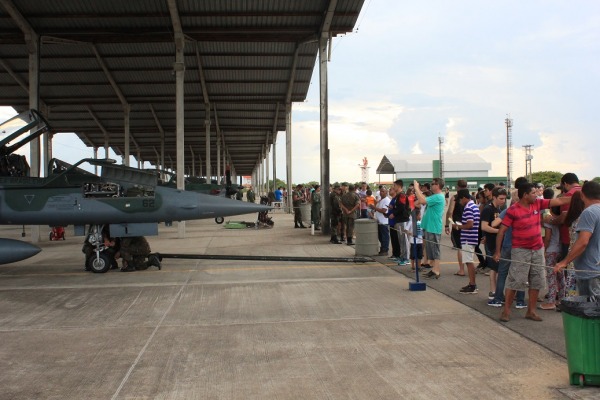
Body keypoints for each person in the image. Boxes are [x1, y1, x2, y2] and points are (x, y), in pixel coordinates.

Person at [493, 182, 571, 322]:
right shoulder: (513, 210)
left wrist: (578, 196)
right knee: (515, 281)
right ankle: (506, 311)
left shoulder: (538, 204)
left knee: (537, 280)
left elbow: (559, 200)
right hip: (520, 250)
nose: (537, 195)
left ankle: (531, 311)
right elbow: (501, 231)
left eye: (537, 192)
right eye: (534, 193)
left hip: (537, 250)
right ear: (525, 195)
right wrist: (497, 251)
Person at [554, 181, 600, 300]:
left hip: (590, 272)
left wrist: (564, 262)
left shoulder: (589, 212)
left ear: (583, 195)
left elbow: (583, 242)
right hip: (595, 270)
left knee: (591, 310)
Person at [414, 178, 445, 279]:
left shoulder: (438, 197)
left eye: (433, 184)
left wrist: (417, 188)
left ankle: (436, 270)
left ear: (438, 186)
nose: (431, 186)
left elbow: (422, 201)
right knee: (430, 249)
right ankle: (434, 269)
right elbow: (418, 202)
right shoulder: (434, 197)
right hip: (429, 226)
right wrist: (421, 193)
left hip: (434, 227)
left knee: (435, 249)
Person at [480, 187, 507, 300]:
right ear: (494, 197)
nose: (503, 201)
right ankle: (493, 291)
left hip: (497, 241)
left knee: (496, 267)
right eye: (501, 198)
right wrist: (499, 231)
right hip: (492, 243)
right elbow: (484, 226)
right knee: (495, 268)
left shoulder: (499, 210)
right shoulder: (488, 209)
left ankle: (496, 290)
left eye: (505, 199)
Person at [452, 189, 480, 294]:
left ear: (464, 198)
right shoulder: (474, 206)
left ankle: (472, 284)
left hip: (468, 238)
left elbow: (469, 224)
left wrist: (458, 226)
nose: (459, 202)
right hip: (472, 237)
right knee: (469, 261)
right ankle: (472, 284)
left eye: (459, 199)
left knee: (469, 261)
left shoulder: (468, 208)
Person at [539, 190, 562, 310]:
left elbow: (547, 238)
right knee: (560, 276)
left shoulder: (549, 221)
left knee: (551, 276)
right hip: (561, 249)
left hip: (551, 250)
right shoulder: (563, 221)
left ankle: (551, 301)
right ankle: (562, 299)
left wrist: (544, 249)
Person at [445, 179, 468, 276]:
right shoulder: (471, 198)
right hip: (468, 224)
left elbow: (450, 211)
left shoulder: (455, 197)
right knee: (468, 246)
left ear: (457, 186)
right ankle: (470, 267)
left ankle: (461, 269)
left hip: (457, 225)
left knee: (460, 247)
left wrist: (447, 224)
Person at [389, 180, 411, 265]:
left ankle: (406, 258)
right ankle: (402, 256)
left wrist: (394, 214)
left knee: (404, 240)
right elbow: (399, 207)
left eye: (394, 185)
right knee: (401, 240)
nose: (393, 187)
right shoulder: (398, 196)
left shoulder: (402, 195)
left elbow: (402, 207)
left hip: (403, 220)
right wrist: (393, 207)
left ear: (398, 186)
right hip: (399, 220)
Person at [374, 187, 391, 255]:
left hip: (384, 222)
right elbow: (378, 209)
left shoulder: (387, 200)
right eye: (380, 191)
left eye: (383, 191)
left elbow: (383, 210)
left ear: (386, 192)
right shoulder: (381, 200)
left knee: (385, 236)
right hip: (379, 221)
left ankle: (385, 249)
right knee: (380, 236)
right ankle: (383, 248)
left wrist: (374, 207)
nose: (381, 192)